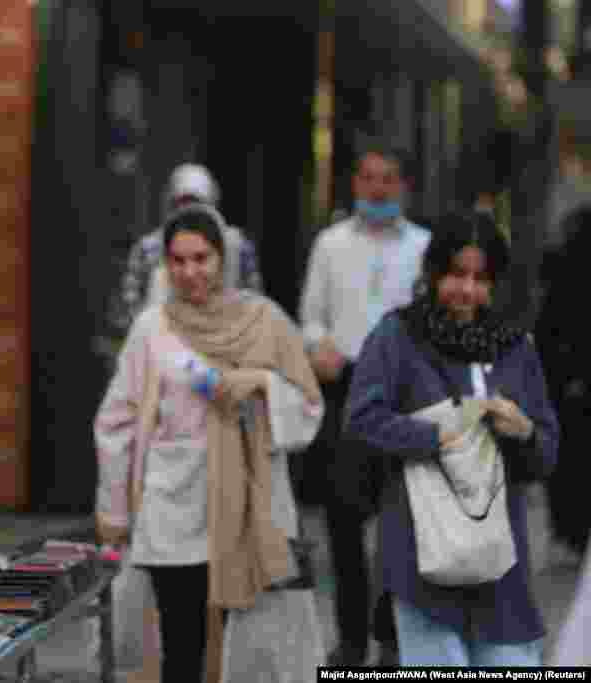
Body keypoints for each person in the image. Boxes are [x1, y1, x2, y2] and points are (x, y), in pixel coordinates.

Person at [95, 203, 323, 683]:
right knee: (182, 648)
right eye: (177, 261)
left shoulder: (266, 322)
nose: (190, 272)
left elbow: (308, 409)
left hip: (244, 512)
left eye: (201, 258)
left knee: (245, 647)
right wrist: (113, 511)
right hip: (171, 510)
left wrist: (260, 380)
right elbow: (116, 421)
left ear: (223, 258)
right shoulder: (152, 329)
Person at [344, 211, 559, 666]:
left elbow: (547, 451)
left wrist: (522, 431)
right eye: (457, 274)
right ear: (433, 272)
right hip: (422, 559)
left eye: (480, 278)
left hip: (501, 564)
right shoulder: (397, 337)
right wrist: (440, 433)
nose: (467, 290)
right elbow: (360, 421)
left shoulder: (514, 347)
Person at [298, 142, 430, 666]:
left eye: (389, 178)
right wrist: (317, 345)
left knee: (402, 527)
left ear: (403, 186)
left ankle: (395, 645)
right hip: (347, 388)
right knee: (345, 525)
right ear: (355, 183)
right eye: (370, 177)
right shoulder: (329, 245)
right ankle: (352, 642)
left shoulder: (424, 246)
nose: (378, 188)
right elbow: (310, 316)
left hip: (404, 395)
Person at [111, 163, 261, 336]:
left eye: (197, 203)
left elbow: (253, 303)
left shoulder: (237, 246)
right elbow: (130, 305)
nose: (189, 211)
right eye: (182, 203)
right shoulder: (149, 248)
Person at [535, 207, 591, 559]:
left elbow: (549, 327)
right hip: (571, 379)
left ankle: (570, 530)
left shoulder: (561, 269)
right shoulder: (568, 270)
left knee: (568, 459)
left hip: (566, 380)